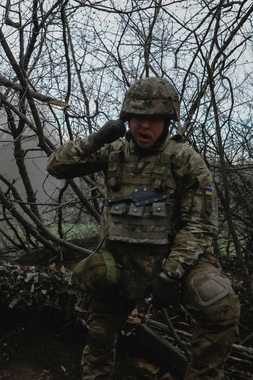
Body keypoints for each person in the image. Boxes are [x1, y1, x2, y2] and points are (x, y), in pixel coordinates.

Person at [47, 77, 240, 379]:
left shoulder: (186, 161)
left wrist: (173, 270)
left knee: (218, 302)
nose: (144, 127)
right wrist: (95, 140)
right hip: (120, 259)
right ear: (127, 119)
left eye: (153, 119)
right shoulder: (114, 151)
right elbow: (57, 166)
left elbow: (200, 223)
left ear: (167, 120)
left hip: (171, 258)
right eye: (138, 118)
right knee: (98, 335)